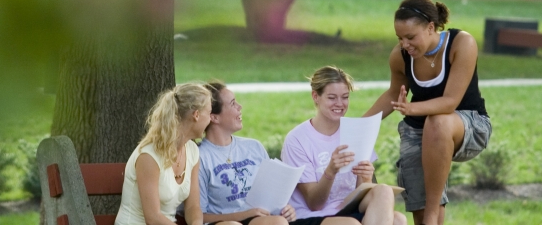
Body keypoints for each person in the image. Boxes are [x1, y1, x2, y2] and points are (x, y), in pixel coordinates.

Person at [364, 0, 491, 225]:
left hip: (469, 126)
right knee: (420, 216)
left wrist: (411, 108)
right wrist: (359, 126)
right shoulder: (400, 56)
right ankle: (429, 218)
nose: (404, 44)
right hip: (420, 131)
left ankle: (432, 216)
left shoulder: (461, 44)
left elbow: (450, 102)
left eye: (411, 37)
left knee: (438, 122)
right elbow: (394, 94)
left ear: (431, 27)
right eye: (400, 38)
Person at [196, 80, 359, 225]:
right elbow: (198, 217)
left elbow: (272, 195)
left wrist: (285, 208)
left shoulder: (254, 147)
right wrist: (243, 215)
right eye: (232, 104)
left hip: (263, 219)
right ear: (214, 118)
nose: (240, 107)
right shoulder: (201, 157)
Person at [281, 66, 407, 225]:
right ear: (315, 96)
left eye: (345, 97)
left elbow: (362, 193)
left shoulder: (356, 131)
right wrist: (331, 170)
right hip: (311, 216)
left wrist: (365, 177)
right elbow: (314, 204)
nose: (340, 104)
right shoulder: (297, 139)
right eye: (332, 98)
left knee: (388, 198)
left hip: (348, 208)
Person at [116, 83, 212, 225]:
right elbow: (153, 218)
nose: (210, 119)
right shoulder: (149, 156)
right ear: (196, 115)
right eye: (209, 113)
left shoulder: (192, 151)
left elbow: (193, 207)